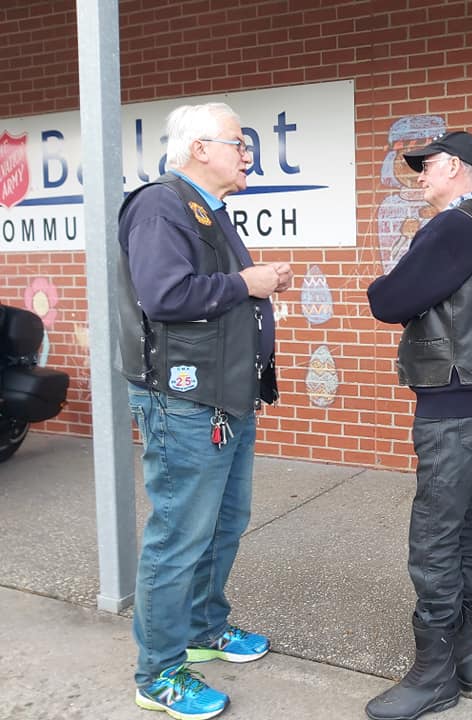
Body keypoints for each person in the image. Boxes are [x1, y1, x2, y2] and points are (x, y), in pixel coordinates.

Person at [117, 102, 294, 720]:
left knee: (221, 524)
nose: (248, 156)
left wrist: (254, 283)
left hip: (224, 395)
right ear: (199, 149)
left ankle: (203, 630)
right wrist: (249, 283)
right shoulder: (160, 205)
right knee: (179, 536)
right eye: (239, 144)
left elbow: (205, 291)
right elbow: (164, 294)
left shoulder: (206, 211)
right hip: (183, 400)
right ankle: (160, 672)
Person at [365, 131, 472, 720]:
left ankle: (433, 675)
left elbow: (389, 298)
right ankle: (465, 653)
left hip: (454, 398)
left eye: (426, 166)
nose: (419, 175)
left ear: (455, 166)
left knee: (433, 535)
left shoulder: (454, 226)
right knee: (458, 531)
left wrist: (382, 286)